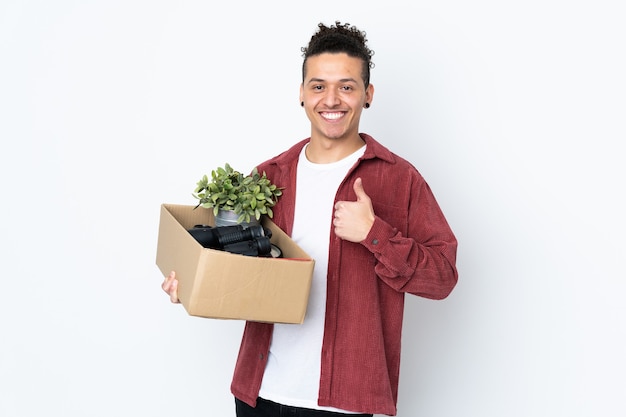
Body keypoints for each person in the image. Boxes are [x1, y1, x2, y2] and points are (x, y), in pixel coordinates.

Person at [162, 21, 458, 416]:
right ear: (301, 93)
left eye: (347, 86)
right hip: (259, 394)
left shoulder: (399, 179)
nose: (331, 99)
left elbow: (442, 277)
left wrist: (375, 235)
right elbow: (236, 265)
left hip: (344, 404)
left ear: (367, 95)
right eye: (318, 86)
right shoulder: (268, 177)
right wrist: (193, 281)